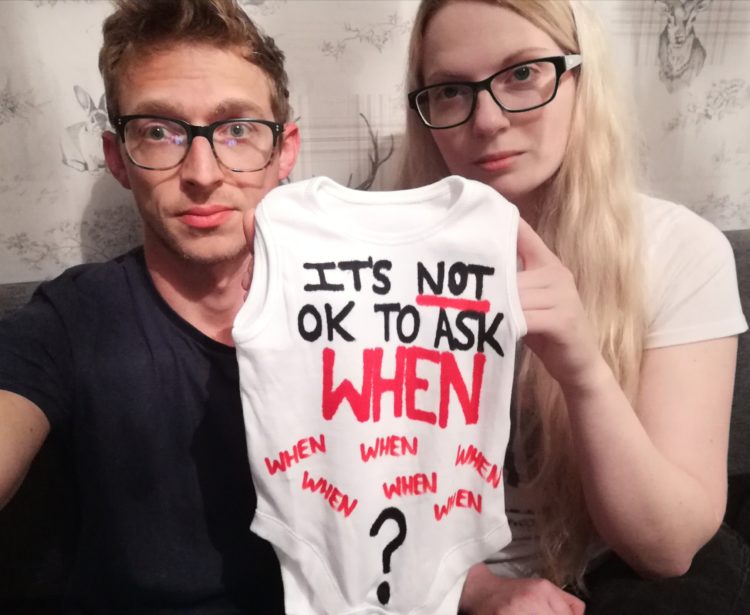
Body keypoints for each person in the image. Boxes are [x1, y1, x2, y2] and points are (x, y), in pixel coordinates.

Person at [398, 1, 749, 614]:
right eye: (452, 90)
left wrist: (583, 370)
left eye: (523, 73)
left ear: (580, 78)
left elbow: (666, 551)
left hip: (611, 573)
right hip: (432, 579)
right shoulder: (377, 260)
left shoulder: (680, 252)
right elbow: (349, 494)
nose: (487, 120)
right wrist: (476, 592)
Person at [0, 0, 298, 611]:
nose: (202, 172)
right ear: (117, 158)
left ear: (283, 151)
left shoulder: (361, 307)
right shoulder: (71, 323)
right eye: (159, 132)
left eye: (237, 129)